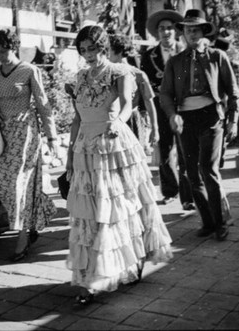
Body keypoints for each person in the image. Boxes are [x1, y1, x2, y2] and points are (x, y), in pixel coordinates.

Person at [66, 25, 172, 305]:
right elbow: (77, 119)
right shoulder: (79, 76)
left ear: (103, 47)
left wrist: (117, 121)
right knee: (89, 213)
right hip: (85, 147)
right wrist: (69, 156)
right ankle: (91, 277)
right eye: (84, 50)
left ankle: (127, 261)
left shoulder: (120, 72)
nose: (88, 55)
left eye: (93, 48)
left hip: (113, 144)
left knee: (117, 207)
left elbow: (127, 104)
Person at [160, 9, 239, 241]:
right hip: (185, 121)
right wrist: (172, 114)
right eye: (188, 30)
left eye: (196, 29)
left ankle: (221, 221)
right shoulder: (175, 62)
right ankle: (208, 222)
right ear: (183, 33)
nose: (192, 34)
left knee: (209, 169)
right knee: (191, 173)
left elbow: (233, 91)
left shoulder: (217, 57)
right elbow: (165, 94)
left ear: (204, 32)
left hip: (211, 118)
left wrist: (232, 121)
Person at [0, 28, 59, 261]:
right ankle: (36, 218)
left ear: (13, 48)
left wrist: (52, 137)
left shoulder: (29, 70)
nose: (0, 56)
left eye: (4, 51)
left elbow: (43, 105)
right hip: (3, 136)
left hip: (26, 134)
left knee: (20, 185)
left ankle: (23, 237)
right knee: (3, 187)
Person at [140, 10, 195, 210]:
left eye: (170, 28)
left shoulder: (186, 52)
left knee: (186, 151)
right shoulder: (149, 56)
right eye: (162, 29)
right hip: (161, 109)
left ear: (176, 31)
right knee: (164, 150)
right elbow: (145, 85)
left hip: (184, 108)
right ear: (157, 33)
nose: (166, 32)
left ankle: (188, 196)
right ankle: (170, 191)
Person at [108, 33, 159, 148]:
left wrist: (155, 128)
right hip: (110, 121)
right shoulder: (106, 73)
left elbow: (149, 101)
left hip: (131, 120)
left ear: (119, 52)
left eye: (108, 50)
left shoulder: (138, 74)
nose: (105, 54)